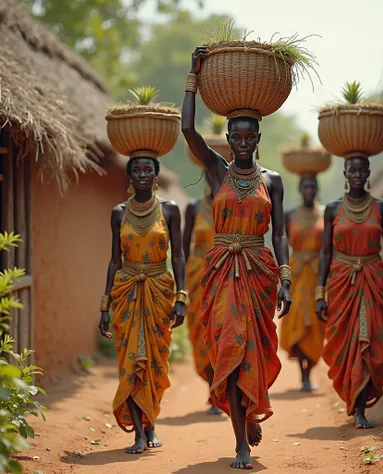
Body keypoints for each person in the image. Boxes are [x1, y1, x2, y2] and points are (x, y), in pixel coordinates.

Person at [181, 46, 292, 470]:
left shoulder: (273, 181)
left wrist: (284, 276)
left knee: (254, 350)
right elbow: (188, 129)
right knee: (228, 346)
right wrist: (193, 75)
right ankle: (240, 441)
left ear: (258, 139)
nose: (243, 143)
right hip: (221, 270)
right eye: (236, 136)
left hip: (260, 272)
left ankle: (247, 413)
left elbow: (279, 232)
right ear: (227, 139)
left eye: (250, 136)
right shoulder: (215, 171)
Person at [98, 155, 186, 454]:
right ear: (130, 176)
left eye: (148, 169)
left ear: (156, 175)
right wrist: (104, 305)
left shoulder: (170, 210)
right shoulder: (118, 213)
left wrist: (181, 298)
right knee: (131, 362)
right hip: (126, 293)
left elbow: (178, 257)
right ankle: (138, 432)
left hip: (160, 291)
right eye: (137, 170)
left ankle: (151, 426)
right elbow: (113, 260)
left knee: (156, 362)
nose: (143, 174)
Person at [315, 156, 383, 429]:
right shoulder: (333, 210)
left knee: (369, 342)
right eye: (352, 170)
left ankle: (360, 410)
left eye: (362, 170)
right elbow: (325, 252)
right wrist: (319, 293)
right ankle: (354, 401)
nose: (357, 174)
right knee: (349, 342)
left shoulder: (381, 207)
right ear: (345, 173)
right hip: (342, 283)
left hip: (373, 280)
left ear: (369, 172)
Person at [280, 176, 325, 392]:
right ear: (300, 189)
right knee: (297, 320)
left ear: (317, 189)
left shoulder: (326, 214)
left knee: (317, 323)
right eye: (306, 186)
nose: (309, 190)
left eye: (313, 186)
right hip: (297, 275)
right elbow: (283, 245)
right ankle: (303, 376)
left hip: (317, 274)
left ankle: (311, 372)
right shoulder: (290, 215)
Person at [183, 171, 221, 415]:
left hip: (225, 275)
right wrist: (181, 287)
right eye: (210, 175)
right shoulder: (194, 207)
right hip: (197, 278)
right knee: (200, 332)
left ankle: (222, 391)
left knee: (221, 332)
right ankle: (211, 389)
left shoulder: (234, 206)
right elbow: (183, 249)